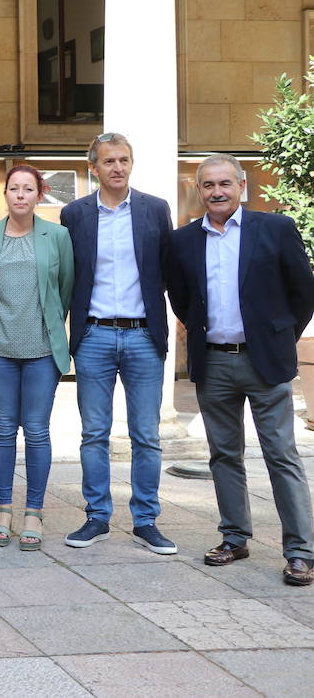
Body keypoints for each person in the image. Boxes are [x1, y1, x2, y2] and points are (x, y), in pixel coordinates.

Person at [168, 154, 314, 586]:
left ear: (241, 185)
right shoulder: (183, 241)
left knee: (281, 455)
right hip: (213, 362)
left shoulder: (276, 229)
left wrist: (278, 337)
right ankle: (234, 537)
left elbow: (304, 293)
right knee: (224, 455)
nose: (217, 192)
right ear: (199, 191)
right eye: (209, 185)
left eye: (225, 184)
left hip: (264, 361)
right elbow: (181, 298)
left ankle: (301, 552)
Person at [60, 132, 176, 554]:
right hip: (94, 335)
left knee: (146, 434)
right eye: (108, 161)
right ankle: (97, 517)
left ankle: (146, 520)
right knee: (94, 433)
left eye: (124, 160)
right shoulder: (74, 214)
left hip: (144, 334)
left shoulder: (155, 209)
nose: (118, 168)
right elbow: (69, 274)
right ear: (94, 168)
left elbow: (167, 268)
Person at [0, 165, 73, 550]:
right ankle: (2, 509)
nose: (20, 195)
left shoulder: (57, 236)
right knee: (1, 429)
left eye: (28, 189)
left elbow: (65, 289)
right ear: (6, 194)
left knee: (37, 430)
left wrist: (44, 326)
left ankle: (34, 511)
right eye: (13, 188)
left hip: (42, 351)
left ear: (39, 194)